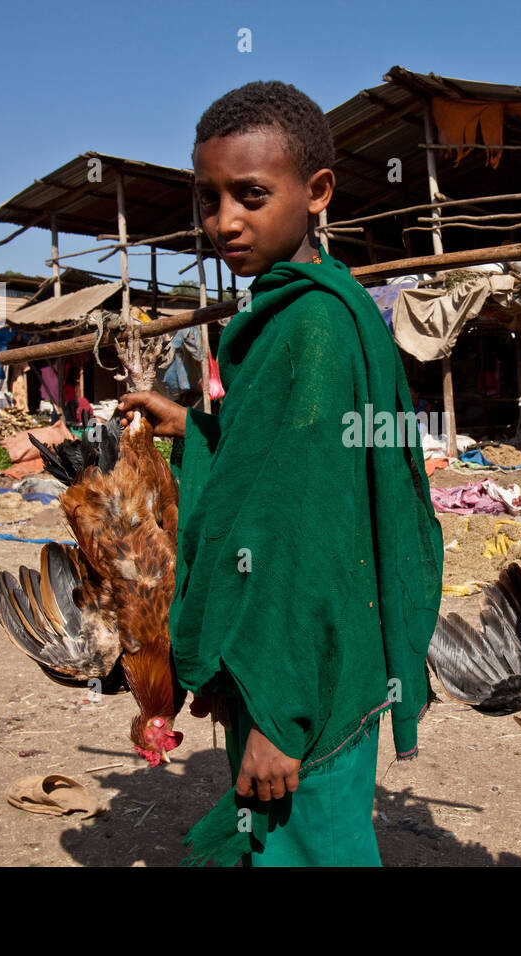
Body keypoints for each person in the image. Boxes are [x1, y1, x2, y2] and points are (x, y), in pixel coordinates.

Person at [118, 81, 443, 867]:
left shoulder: (313, 329)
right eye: (209, 198)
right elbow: (274, 467)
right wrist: (196, 430)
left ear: (317, 191)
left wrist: (276, 714)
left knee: (307, 845)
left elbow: (304, 535)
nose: (224, 221)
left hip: (301, 674)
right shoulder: (320, 308)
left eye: (252, 195)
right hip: (326, 654)